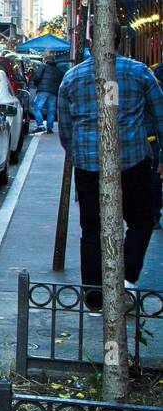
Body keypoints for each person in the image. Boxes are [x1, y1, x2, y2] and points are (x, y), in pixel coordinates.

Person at [57, 20, 163, 310]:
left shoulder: (72, 78)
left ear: (89, 39)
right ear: (119, 38)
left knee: (92, 228)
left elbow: (65, 129)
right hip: (132, 162)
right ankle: (126, 280)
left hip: (90, 166)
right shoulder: (139, 72)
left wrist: (80, 154)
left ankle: (93, 293)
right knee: (141, 221)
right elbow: (160, 115)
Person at [30, 51, 63, 133]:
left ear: (46, 60)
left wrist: (36, 84)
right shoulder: (58, 70)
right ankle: (49, 127)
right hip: (54, 92)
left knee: (37, 108)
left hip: (43, 90)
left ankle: (40, 125)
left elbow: (37, 77)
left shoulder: (43, 66)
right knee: (51, 110)